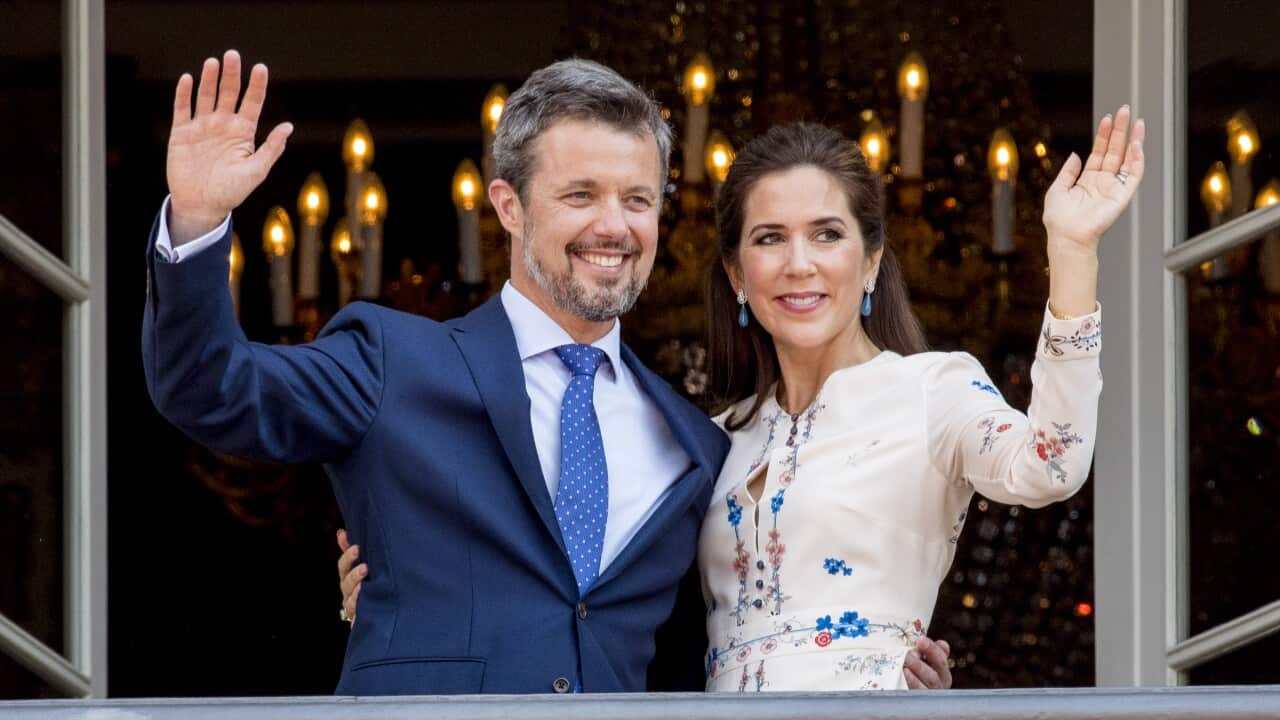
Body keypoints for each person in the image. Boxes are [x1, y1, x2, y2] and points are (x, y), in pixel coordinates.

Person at [143, 49, 957, 694]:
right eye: (581, 195)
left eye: (639, 200)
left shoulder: (694, 444)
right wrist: (199, 222)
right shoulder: (394, 360)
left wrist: (884, 678)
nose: (615, 226)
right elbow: (210, 390)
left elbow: (707, 655)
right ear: (508, 206)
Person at [341, 113, 1144, 690]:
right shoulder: (711, 439)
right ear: (735, 275)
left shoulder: (931, 389)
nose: (800, 264)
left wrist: (1071, 257)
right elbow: (597, 591)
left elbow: (1053, 463)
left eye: (828, 235)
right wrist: (412, 580)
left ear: (871, 264)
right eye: (769, 239)